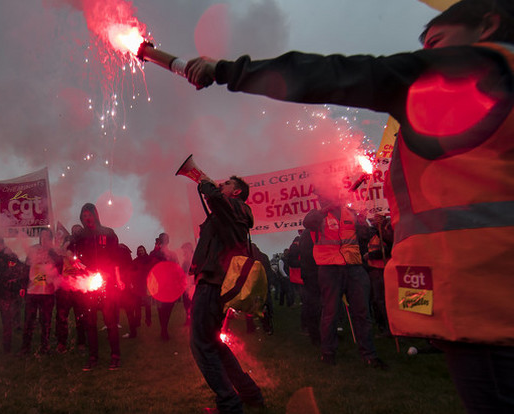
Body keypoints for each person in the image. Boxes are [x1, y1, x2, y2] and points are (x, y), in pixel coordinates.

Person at [185, 2, 514, 409]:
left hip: (485, 294)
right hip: (479, 293)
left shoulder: (464, 73)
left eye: (437, 41)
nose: (426, 54)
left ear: (489, 25)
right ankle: (323, 354)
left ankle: (255, 391)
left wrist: (225, 70)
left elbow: (333, 74)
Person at [189, 175, 264, 414]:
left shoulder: (238, 207)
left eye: (227, 185)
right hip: (214, 281)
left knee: (201, 345)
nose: (222, 185)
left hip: (212, 282)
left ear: (237, 192)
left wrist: (208, 186)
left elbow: (216, 199)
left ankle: (230, 404)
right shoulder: (230, 211)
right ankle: (249, 393)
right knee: (213, 344)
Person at [303, 191, 384, 368]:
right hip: (330, 269)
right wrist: (327, 208)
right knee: (331, 312)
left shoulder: (350, 214)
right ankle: (328, 353)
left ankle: (369, 354)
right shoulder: (317, 215)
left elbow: (363, 236)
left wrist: (365, 223)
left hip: (354, 267)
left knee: (362, 312)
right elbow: (307, 222)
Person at [67, 203, 122, 371]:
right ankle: (93, 357)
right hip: (88, 284)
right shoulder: (79, 236)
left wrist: (118, 278)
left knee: (110, 321)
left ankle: (115, 356)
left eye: (89, 214)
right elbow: (70, 253)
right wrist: (74, 261)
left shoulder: (108, 233)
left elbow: (115, 258)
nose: (87, 218)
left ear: (95, 215)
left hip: (106, 282)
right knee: (90, 323)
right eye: (83, 216)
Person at [20, 228, 61, 355]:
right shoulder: (32, 250)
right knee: (29, 321)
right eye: (42, 236)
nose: (44, 239)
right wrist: (22, 285)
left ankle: (45, 346)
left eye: (47, 237)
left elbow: (59, 270)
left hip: (47, 293)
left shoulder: (54, 253)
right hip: (33, 291)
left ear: (50, 238)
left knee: (46, 321)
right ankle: (25, 348)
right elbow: (25, 268)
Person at [148, 232, 180, 341]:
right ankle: (164, 330)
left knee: (168, 308)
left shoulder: (172, 254)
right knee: (161, 309)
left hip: (170, 285)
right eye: (163, 239)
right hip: (160, 285)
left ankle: (164, 328)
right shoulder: (155, 253)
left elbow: (177, 268)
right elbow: (150, 264)